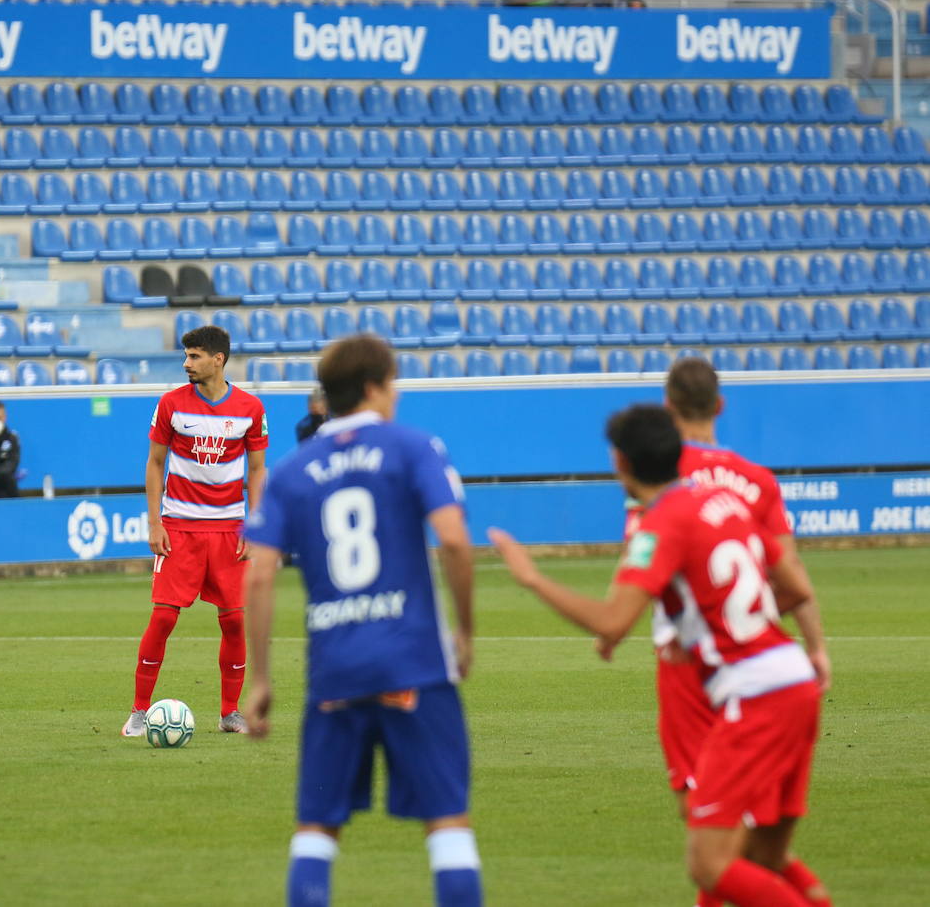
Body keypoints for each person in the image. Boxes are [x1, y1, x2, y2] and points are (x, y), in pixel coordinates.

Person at [490, 404, 831, 907]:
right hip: (795, 681)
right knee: (764, 858)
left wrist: (532, 578)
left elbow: (613, 621)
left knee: (708, 863)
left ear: (621, 463)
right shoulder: (723, 500)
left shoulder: (660, 523)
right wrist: (727, 625)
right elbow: (797, 586)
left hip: (754, 695)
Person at [242, 335, 479, 907]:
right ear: (374, 387)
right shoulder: (413, 447)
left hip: (335, 673)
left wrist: (262, 678)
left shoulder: (293, 471)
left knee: (317, 831)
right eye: (392, 383)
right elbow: (452, 538)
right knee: (447, 824)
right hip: (414, 664)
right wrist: (465, 631)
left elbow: (257, 573)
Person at [122, 324, 267, 737]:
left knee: (235, 622)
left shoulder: (250, 408)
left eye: (195, 356)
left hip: (229, 532)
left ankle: (229, 713)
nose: (187, 363)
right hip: (180, 529)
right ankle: (138, 712)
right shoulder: (170, 404)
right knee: (164, 618)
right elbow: (154, 463)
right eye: (186, 356)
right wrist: (155, 522)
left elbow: (257, 470)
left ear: (218, 359)